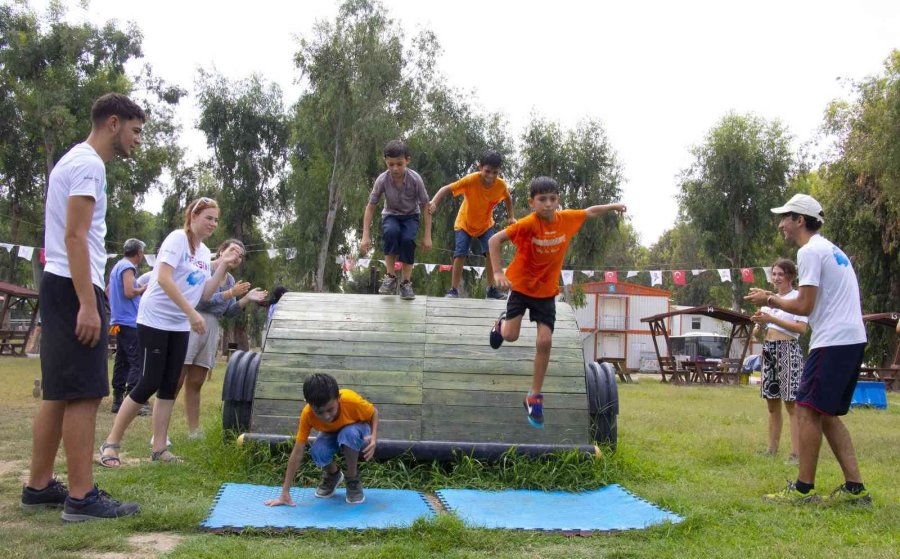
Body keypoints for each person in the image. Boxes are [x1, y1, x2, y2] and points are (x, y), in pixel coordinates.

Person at [22, 93, 144, 521]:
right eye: (135, 130)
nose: (137, 140)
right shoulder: (89, 165)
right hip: (74, 285)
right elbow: (76, 236)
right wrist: (88, 305)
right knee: (85, 394)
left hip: (58, 281)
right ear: (114, 122)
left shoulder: (73, 161)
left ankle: (38, 486)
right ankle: (81, 497)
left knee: (58, 394)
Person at [746, 193, 870, 505]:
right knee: (825, 414)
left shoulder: (811, 251)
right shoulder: (829, 249)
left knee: (805, 408)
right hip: (850, 338)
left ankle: (803, 490)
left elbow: (804, 304)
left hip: (834, 340)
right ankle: (856, 489)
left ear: (800, 220)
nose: (781, 225)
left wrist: (769, 299)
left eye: (785, 218)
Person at [98, 197, 239, 467]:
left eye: (216, 219)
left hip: (178, 324)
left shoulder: (203, 252)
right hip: (155, 320)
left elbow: (206, 292)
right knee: (149, 381)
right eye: (208, 217)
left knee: (169, 385)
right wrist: (190, 312)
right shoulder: (177, 240)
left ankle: (159, 448)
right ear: (193, 216)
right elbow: (162, 278)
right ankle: (111, 443)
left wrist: (222, 265)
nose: (213, 223)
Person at [488, 177, 626, 427]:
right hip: (520, 287)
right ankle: (500, 325)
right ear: (532, 203)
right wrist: (497, 273)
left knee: (545, 341)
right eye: (542, 200)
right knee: (510, 336)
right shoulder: (528, 224)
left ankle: (534, 396)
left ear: (558, 200)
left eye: (553, 199)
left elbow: (590, 211)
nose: (548, 204)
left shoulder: (567, 219)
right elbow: (494, 240)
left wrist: (612, 206)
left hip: (546, 293)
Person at [177, 239, 267, 438]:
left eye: (241, 255)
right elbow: (199, 300)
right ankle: (160, 432)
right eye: (234, 250)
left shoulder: (231, 280)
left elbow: (228, 312)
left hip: (211, 328)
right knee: (176, 378)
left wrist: (245, 298)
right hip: (190, 323)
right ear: (221, 251)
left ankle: (193, 431)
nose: (237, 256)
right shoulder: (204, 269)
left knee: (197, 381)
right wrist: (229, 294)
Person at [264, 373, 378, 506]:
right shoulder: (307, 414)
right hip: (332, 434)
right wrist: (285, 492)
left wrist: (374, 437)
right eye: (319, 412)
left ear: (338, 399)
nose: (326, 416)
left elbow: (374, 412)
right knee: (317, 449)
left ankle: (352, 479)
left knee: (348, 434)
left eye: (330, 409)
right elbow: (298, 451)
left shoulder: (350, 400)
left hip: (357, 431)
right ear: (309, 404)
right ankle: (333, 474)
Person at [428, 150, 516, 299]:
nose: (491, 176)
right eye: (487, 171)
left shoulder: (500, 185)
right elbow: (446, 189)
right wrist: (434, 202)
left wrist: (511, 217)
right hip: (465, 223)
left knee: (491, 252)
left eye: (495, 172)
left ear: (499, 170)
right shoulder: (470, 180)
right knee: (460, 253)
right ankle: (453, 290)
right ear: (480, 167)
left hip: (485, 225)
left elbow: (507, 197)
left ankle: (491, 289)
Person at [750, 258, 808, 463]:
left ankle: (796, 453)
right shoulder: (768, 301)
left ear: (790, 276)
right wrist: (758, 324)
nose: (776, 278)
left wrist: (772, 319)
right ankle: (771, 449)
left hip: (788, 349)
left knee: (791, 404)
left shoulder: (798, 298)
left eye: (780, 274)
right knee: (772, 404)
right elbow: (757, 334)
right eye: (773, 274)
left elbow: (801, 328)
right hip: (769, 350)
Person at [360, 140, 432, 300]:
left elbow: (426, 206)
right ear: (385, 161)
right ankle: (390, 277)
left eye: (399, 164)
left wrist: (427, 235)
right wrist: (365, 235)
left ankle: (406, 283)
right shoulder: (382, 180)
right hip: (391, 215)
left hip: (411, 216)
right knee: (391, 232)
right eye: (391, 164)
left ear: (407, 160)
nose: (395, 168)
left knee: (407, 240)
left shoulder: (415, 179)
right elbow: (370, 207)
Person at [107, 238, 148, 414]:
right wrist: (143, 289)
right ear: (138, 253)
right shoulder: (127, 267)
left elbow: (107, 291)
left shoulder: (117, 266)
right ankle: (133, 400)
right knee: (136, 361)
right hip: (130, 321)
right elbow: (129, 292)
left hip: (119, 320)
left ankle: (117, 399)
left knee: (122, 360)